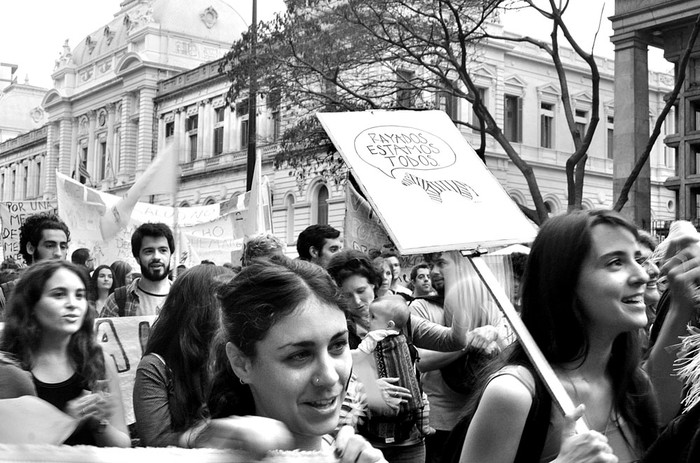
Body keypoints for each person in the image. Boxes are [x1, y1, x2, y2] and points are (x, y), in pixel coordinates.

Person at [449, 209, 696, 463]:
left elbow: (663, 416)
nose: (643, 275)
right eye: (615, 262)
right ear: (564, 282)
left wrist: (682, 302)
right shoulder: (513, 394)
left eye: (636, 259)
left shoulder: (632, 383)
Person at [204, 257, 386, 462]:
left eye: (337, 345)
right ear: (241, 363)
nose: (329, 377)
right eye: (299, 355)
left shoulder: (351, 452)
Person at [326, 249, 473, 463]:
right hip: (362, 443)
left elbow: (454, 341)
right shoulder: (335, 330)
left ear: (374, 285)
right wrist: (368, 388)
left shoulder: (401, 318)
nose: (357, 301)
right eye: (347, 295)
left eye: (361, 290)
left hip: (409, 440)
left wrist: (460, 302)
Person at [0, 260, 130, 447]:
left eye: (79, 295)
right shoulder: (7, 368)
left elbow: (124, 446)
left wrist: (99, 423)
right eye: (59, 294)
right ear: (31, 305)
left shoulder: (100, 361)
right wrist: (65, 422)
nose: (72, 304)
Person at [411, 251, 506, 463]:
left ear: (463, 267)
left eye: (442, 264)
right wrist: (466, 342)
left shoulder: (486, 305)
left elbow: (508, 355)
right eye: (432, 265)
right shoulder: (421, 307)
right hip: (439, 425)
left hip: (479, 417)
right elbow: (419, 361)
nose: (434, 272)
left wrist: (494, 333)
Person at [133, 264, 233, 447]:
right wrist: (216, 434)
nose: (235, 311)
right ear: (199, 308)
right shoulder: (155, 367)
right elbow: (155, 441)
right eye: (226, 302)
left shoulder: (236, 358)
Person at [0, 213, 71, 313]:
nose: (58, 253)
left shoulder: (74, 292)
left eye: (63, 247)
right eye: (50, 246)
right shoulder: (6, 294)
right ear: (30, 248)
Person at [101, 222, 174, 317]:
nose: (156, 256)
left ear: (170, 255)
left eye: (163, 250)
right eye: (149, 251)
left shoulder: (186, 297)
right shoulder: (117, 300)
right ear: (137, 258)